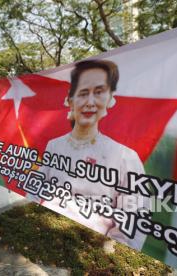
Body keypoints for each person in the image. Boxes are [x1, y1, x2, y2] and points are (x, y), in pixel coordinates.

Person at [39, 60, 148, 250]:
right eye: (82, 93)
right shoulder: (54, 146)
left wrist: (108, 254)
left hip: (90, 250)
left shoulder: (125, 157)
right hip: (47, 236)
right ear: (70, 100)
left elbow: (133, 220)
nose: (90, 102)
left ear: (109, 98)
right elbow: (37, 190)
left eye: (98, 92)